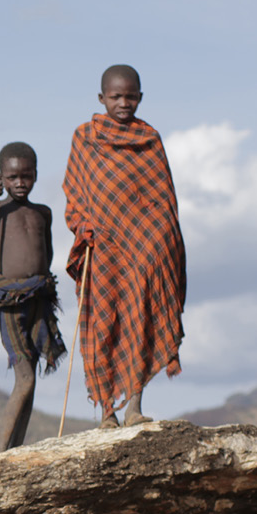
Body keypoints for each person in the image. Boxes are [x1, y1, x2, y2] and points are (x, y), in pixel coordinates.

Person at [62, 64, 186, 428]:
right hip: (102, 246)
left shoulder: (150, 139)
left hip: (145, 247)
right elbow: (75, 190)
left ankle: (133, 407)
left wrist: (160, 241)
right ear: (101, 99)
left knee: (140, 318)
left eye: (130, 96)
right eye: (115, 97)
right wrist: (83, 226)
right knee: (103, 322)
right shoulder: (85, 138)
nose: (123, 103)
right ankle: (106, 412)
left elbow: (163, 198)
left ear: (141, 98)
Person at [0, 141, 66, 451]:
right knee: (24, 378)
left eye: (26, 176)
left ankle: (15, 448)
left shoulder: (43, 213)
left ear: (36, 176)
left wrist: (41, 282)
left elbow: (48, 254)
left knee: (32, 381)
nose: (20, 183)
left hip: (38, 297)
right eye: (12, 178)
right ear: (1, 177)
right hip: (10, 302)